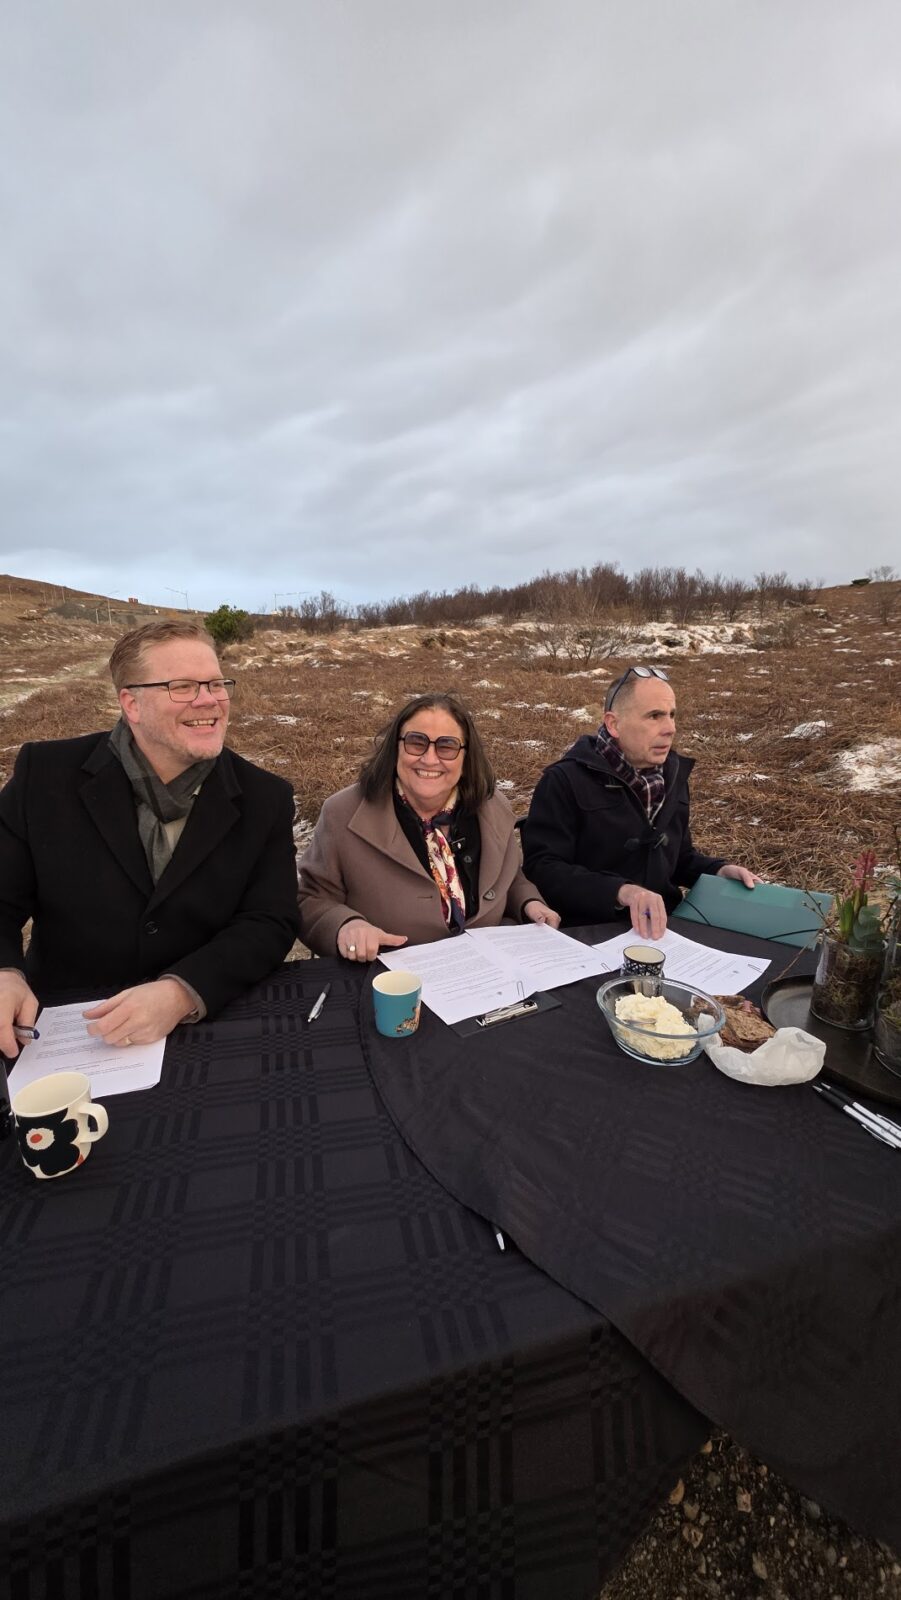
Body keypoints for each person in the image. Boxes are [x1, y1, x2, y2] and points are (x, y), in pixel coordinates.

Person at [0, 620, 300, 1056]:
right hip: (66, 1029)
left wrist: (182, 992)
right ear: (132, 704)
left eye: (216, 683)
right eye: (182, 686)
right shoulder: (45, 776)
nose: (210, 700)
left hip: (203, 1027)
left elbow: (270, 920)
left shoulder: (265, 797)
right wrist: (5, 972)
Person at [298, 692, 560, 960]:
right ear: (396, 747)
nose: (430, 759)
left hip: (489, 968)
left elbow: (510, 877)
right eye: (416, 742)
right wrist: (346, 926)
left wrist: (528, 903)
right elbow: (311, 899)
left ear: (466, 757)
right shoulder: (342, 813)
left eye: (446, 746)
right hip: (391, 976)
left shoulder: (493, 807)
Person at [522, 665, 760, 938]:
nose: (670, 728)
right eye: (654, 716)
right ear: (614, 724)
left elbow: (679, 858)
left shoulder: (672, 775)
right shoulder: (564, 780)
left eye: (671, 715)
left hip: (663, 929)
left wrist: (717, 871)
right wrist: (620, 892)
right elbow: (543, 869)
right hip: (590, 931)